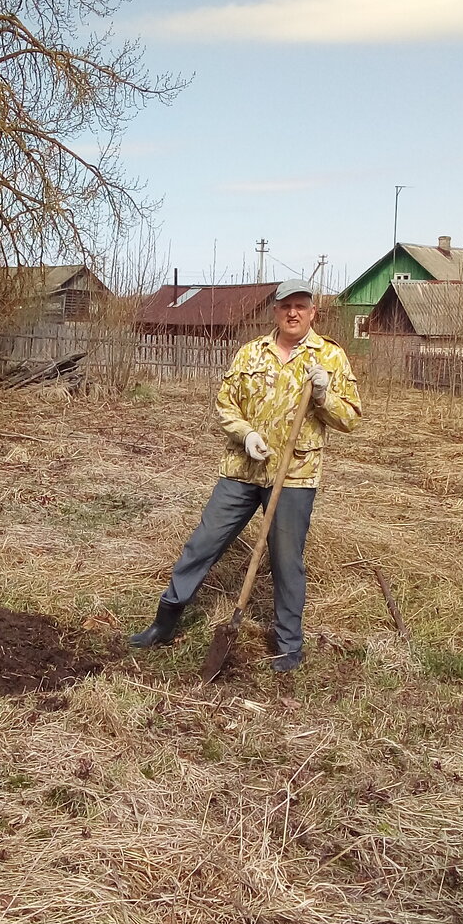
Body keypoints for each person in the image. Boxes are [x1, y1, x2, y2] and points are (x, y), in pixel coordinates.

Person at [129, 280, 362, 672]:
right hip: (242, 469)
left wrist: (323, 396)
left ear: (312, 312)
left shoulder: (330, 358)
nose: (293, 313)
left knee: (287, 561)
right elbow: (225, 404)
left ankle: (289, 646)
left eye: (301, 306)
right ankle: (164, 622)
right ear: (275, 310)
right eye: (286, 306)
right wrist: (247, 433)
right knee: (203, 544)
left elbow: (351, 418)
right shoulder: (251, 352)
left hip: (295, 475)